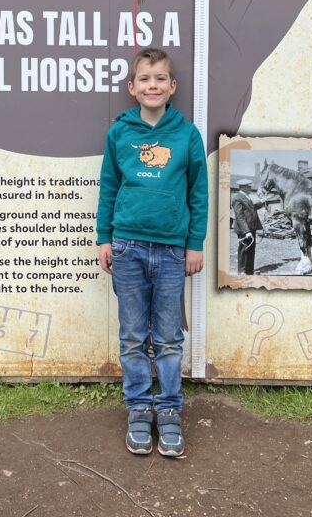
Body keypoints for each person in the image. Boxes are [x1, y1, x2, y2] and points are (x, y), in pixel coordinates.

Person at [97, 47, 208, 457]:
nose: (153, 85)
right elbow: (109, 186)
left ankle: (170, 410)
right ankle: (139, 407)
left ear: (172, 86)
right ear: (132, 87)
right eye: (145, 79)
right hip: (126, 246)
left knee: (167, 337)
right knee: (131, 335)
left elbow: (198, 192)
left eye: (160, 78)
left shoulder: (186, 134)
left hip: (171, 252)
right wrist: (104, 238)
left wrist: (194, 244)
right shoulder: (120, 133)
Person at [232, 180, 262, 275]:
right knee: (244, 250)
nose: (250, 188)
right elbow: (239, 215)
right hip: (244, 230)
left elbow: (252, 208)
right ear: (243, 187)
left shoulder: (246, 197)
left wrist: (262, 202)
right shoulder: (237, 198)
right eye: (249, 187)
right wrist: (246, 231)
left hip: (251, 227)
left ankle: (249, 271)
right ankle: (242, 272)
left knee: (251, 250)